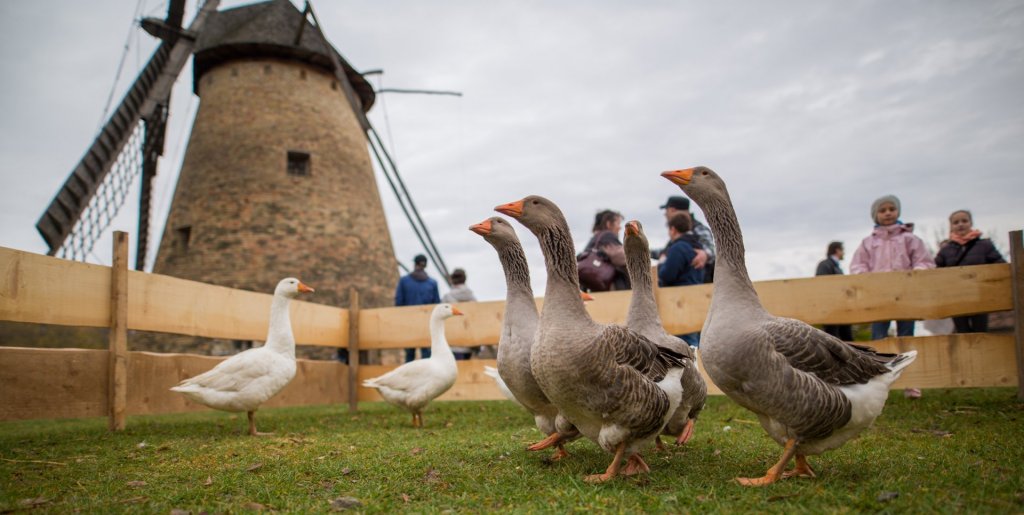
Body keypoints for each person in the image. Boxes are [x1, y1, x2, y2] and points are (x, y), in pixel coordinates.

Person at [850, 195, 936, 340]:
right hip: (879, 295)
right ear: (876, 215)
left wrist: (917, 274)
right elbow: (858, 265)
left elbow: (924, 261)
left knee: (906, 335)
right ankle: (876, 361)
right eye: (882, 210)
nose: (888, 213)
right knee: (878, 335)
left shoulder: (910, 239)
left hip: (906, 293)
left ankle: (908, 359)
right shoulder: (868, 242)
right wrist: (866, 278)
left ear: (898, 211)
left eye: (892, 209)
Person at [934, 210, 1006, 333]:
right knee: (962, 333)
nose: (960, 224)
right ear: (951, 226)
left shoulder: (984, 246)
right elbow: (937, 273)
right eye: (956, 222)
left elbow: (1000, 266)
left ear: (971, 223)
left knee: (980, 331)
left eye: (964, 221)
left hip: (980, 295)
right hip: (956, 297)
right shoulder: (946, 251)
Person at [658, 213, 704, 346]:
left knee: (685, 342)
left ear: (672, 229)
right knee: (694, 337)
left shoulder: (678, 248)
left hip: (679, 303)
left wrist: (662, 264)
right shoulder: (697, 248)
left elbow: (667, 275)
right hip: (695, 300)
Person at [659, 196, 716, 283]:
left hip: (702, 286)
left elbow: (711, 249)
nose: (665, 214)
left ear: (672, 210)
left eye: (666, 211)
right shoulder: (682, 236)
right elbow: (666, 251)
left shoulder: (699, 229)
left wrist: (705, 254)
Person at [396, 254, 441, 362]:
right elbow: (437, 304)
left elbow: (398, 303)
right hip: (427, 324)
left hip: (408, 323)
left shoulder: (404, 281)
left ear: (414, 264)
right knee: (426, 355)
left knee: (409, 355)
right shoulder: (432, 283)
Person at [580, 209, 630, 291]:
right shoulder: (608, 236)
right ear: (609, 224)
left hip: (592, 289)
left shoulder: (594, 239)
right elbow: (624, 258)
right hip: (611, 288)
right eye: (618, 223)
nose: (620, 227)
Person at [814, 241, 854, 341]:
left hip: (842, 308)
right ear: (837, 250)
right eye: (842, 250)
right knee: (832, 339)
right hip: (830, 310)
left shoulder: (836, 267)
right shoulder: (825, 265)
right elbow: (821, 285)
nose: (843, 253)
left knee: (847, 338)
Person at [441, 268, 476, 360]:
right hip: (469, 341)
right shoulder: (472, 298)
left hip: (452, 341)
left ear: (452, 280)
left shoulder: (446, 298)